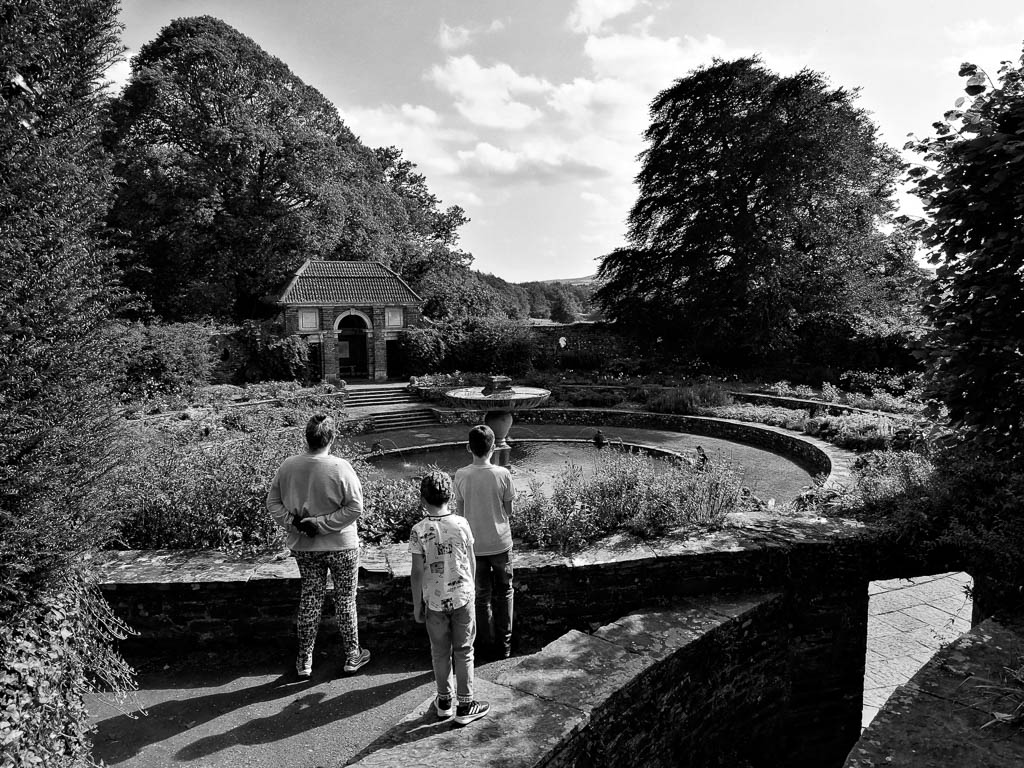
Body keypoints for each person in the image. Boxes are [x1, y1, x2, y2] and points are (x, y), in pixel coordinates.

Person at [266, 413, 370, 680]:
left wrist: (297, 523)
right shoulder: (340, 467)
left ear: (307, 438)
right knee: (345, 600)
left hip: (305, 546)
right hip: (342, 545)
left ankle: (304, 660)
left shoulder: (289, 466)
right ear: (332, 437)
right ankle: (352, 655)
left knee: (310, 598)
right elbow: (355, 508)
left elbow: (273, 503)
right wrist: (323, 524)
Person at [409, 471, 490, 725]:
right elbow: (470, 559)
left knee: (439, 652)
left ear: (423, 500)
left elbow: (417, 572)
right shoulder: (461, 524)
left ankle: (444, 701)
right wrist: (472, 589)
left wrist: (417, 604)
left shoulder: (418, 530)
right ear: (451, 497)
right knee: (464, 650)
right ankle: (465, 705)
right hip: (462, 598)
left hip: (434, 603)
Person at [454, 424, 516, 659]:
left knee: (481, 596)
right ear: (493, 448)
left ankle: (485, 644)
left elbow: (459, 514)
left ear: (469, 447)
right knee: (505, 592)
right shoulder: (503, 474)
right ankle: (505, 645)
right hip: (500, 543)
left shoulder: (461, 475)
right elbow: (509, 511)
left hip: (474, 546)